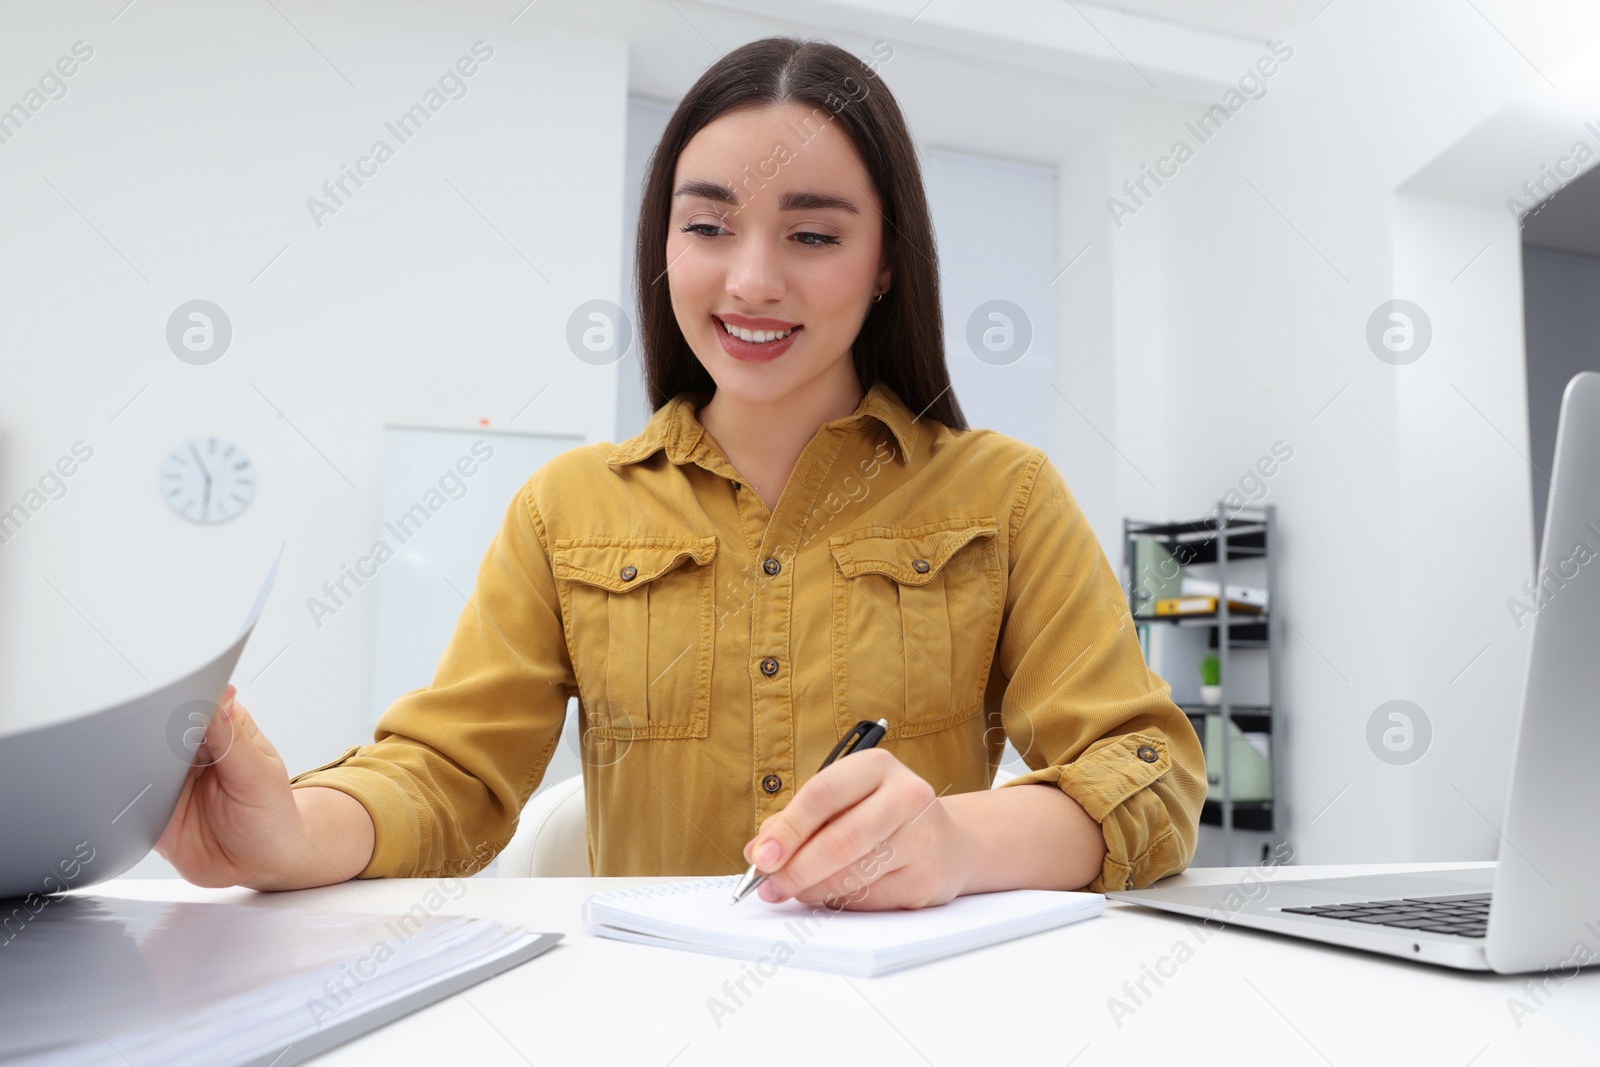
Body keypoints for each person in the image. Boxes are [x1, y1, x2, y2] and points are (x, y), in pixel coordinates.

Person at [157, 36, 1204, 910]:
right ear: (664, 243)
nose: (751, 279)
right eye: (706, 225)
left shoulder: (1003, 494)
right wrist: (286, 834)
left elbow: (1145, 776)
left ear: (886, 260)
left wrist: (962, 842)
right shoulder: (566, 508)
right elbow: (447, 775)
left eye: (811, 233)